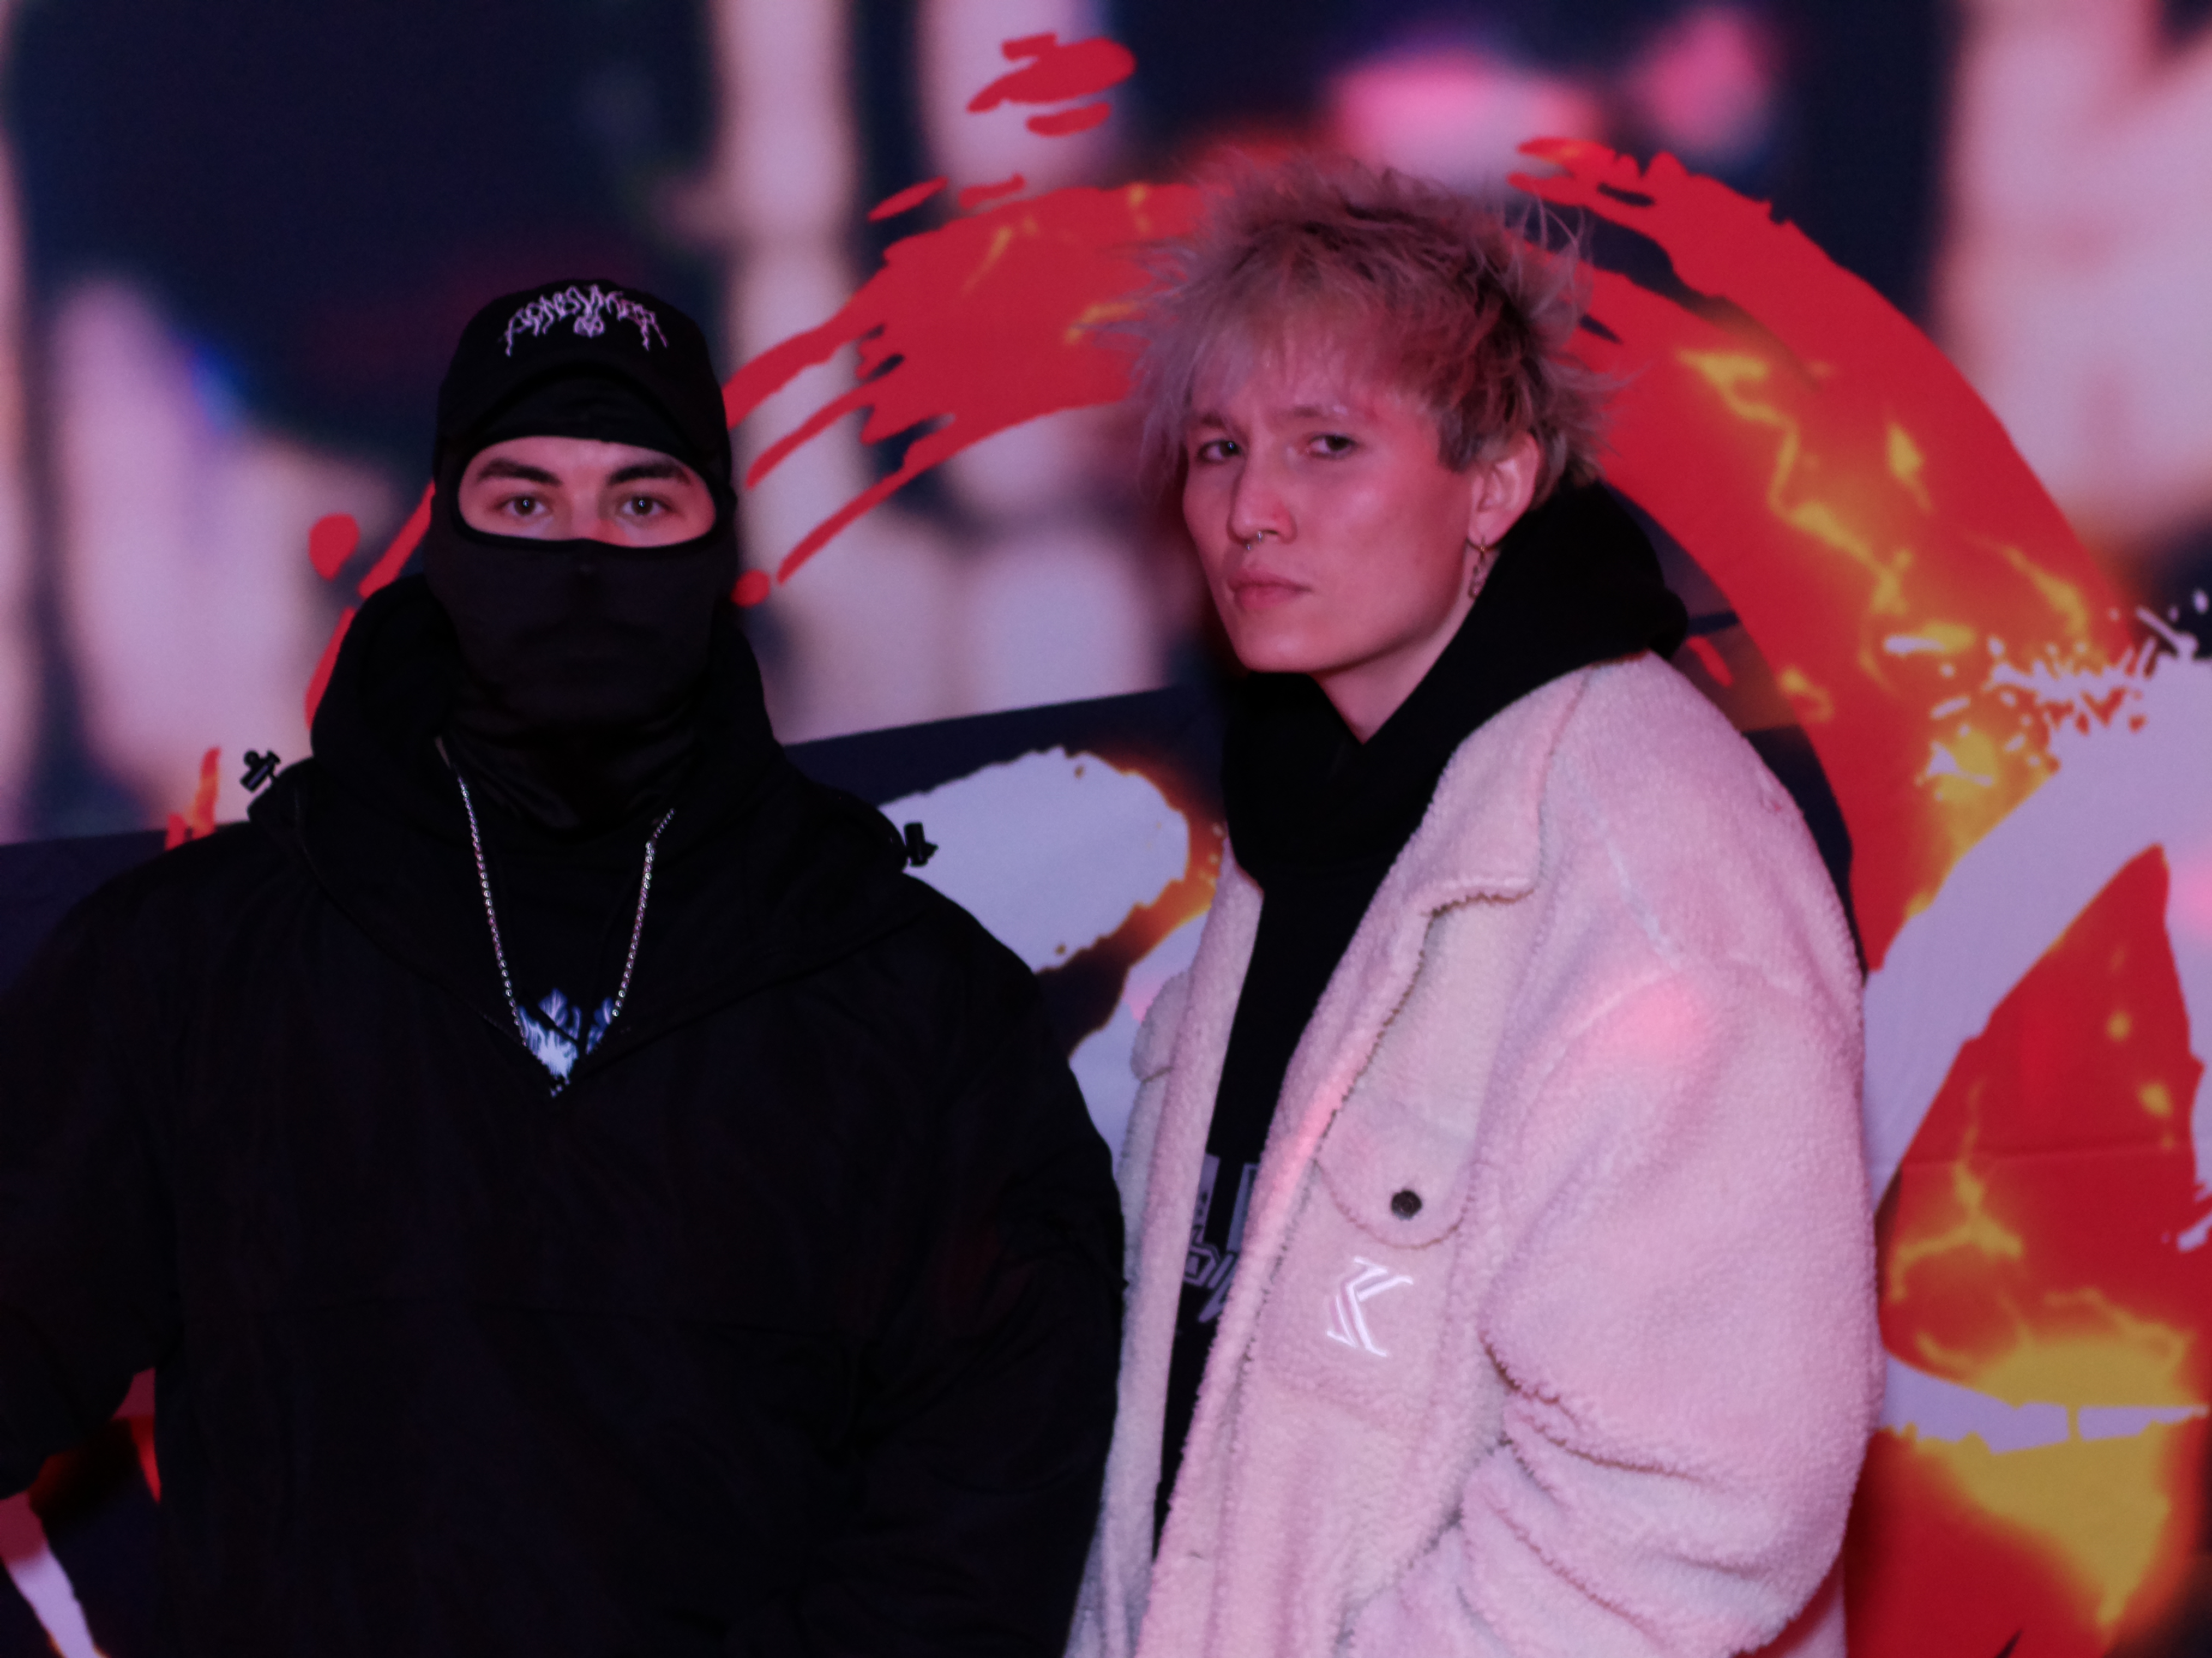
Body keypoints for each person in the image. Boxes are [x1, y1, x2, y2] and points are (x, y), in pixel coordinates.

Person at [0, 279, 1122, 1655]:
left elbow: (988, 1506)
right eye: (525, 500)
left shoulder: (917, 1004)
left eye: (641, 502)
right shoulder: (196, 963)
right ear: (443, 530)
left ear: (722, 540)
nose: (583, 555)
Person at [1068, 161, 1880, 1657]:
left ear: (1497, 483)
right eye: (1218, 447)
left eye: (1328, 443)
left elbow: (1690, 1514)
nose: (1251, 509)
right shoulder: (1311, 802)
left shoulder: (1660, 870)